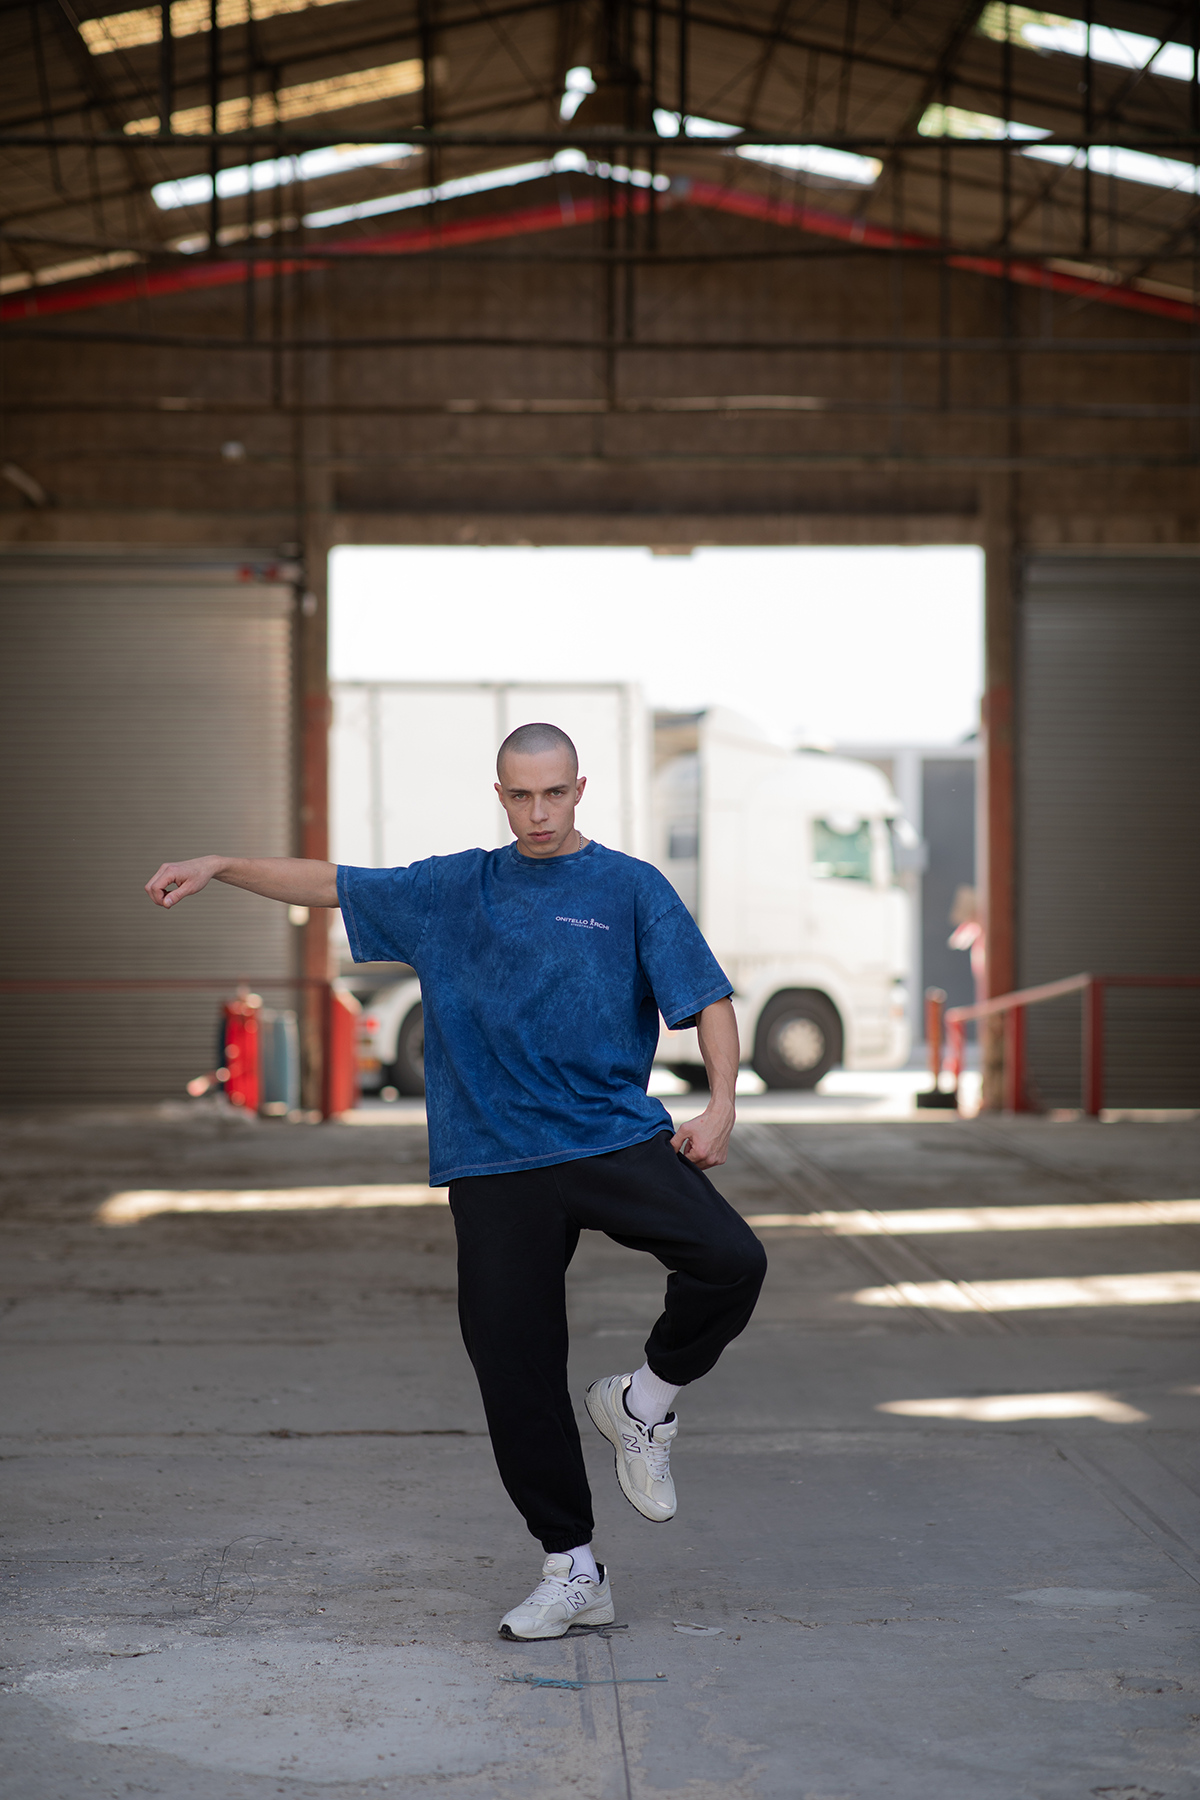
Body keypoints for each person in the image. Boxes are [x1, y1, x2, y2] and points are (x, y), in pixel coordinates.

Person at [145, 721, 767, 1640]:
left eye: (554, 793)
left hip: (607, 1137)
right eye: (520, 795)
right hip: (494, 1162)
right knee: (512, 1367)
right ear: (501, 795)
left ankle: (643, 1403)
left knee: (730, 1259)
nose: (538, 812)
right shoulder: (453, 891)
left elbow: (706, 999)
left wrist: (719, 1107)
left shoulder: (630, 888)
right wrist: (221, 863)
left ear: (580, 790)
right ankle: (573, 1566)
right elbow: (329, 883)